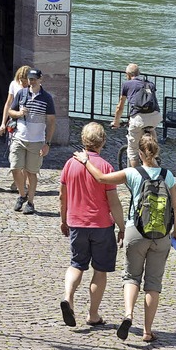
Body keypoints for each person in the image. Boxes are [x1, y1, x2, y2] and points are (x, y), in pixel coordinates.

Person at [74, 133, 176, 343]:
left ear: (140, 153)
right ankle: (148, 331)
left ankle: (128, 314)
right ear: (156, 152)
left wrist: (86, 161)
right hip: (161, 235)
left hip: (135, 232)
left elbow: (101, 178)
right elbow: (175, 208)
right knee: (153, 284)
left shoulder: (132, 173)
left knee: (132, 277)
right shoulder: (168, 176)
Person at [59, 122, 125, 327]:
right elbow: (113, 202)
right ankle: (93, 314)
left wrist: (63, 219)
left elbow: (63, 196)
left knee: (76, 264)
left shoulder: (70, 164)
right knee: (100, 270)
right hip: (102, 226)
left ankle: (68, 298)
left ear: (83, 140)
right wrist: (122, 227)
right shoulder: (105, 167)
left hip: (77, 223)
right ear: (103, 141)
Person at [7, 67, 56, 215]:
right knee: (15, 168)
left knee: (31, 172)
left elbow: (52, 122)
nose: (31, 81)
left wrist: (47, 143)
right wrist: (19, 113)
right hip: (19, 138)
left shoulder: (46, 98)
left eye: (34, 78)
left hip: (36, 141)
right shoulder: (21, 93)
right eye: (29, 78)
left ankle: (30, 202)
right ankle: (22, 194)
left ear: (40, 80)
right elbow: (10, 111)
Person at [111, 63, 162, 168]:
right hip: (155, 117)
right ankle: (155, 154)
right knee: (151, 129)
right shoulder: (150, 84)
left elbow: (120, 107)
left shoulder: (127, 84)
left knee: (133, 151)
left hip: (139, 119)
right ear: (139, 73)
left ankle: (138, 180)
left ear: (128, 75)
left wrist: (116, 122)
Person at [0, 65, 30, 192]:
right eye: (21, 81)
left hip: (27, 124)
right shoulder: (14, 84)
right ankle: (18, 180)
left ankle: (21, 183)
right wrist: (3, 122)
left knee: (25, 154)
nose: (22, 83)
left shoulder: (32, 88)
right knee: (14, 152)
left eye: (24, 81)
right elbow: (8, 103)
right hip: (14, 122)